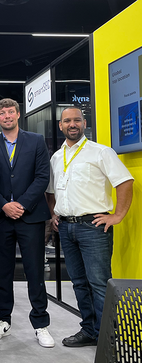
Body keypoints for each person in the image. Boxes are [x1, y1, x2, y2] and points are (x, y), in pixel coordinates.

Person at [47, 107, 133, 347]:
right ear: (60, 125)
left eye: (76, 120)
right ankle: (90, 331)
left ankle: (110, 338)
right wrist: (54, 213)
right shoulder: (56, 156)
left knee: (99, 282)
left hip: (93, 227)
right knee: (79, 283)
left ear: (84, 123)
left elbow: (125, 182)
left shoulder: (101, 152)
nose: (72, 124)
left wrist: (117, 215)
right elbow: (51, 191)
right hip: (66, 227)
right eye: (67, 121)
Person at [0, 98, 54, 348]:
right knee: (2, 271)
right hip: (2, 217)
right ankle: (3, 320)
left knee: (35, 271)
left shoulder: (35, 141)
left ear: (18, 114)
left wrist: (21, 204)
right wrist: (4, 204)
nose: (6, 116)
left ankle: (41, 324)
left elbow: (42, 177)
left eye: (10, 112)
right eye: (1, 113)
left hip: (31, 216)